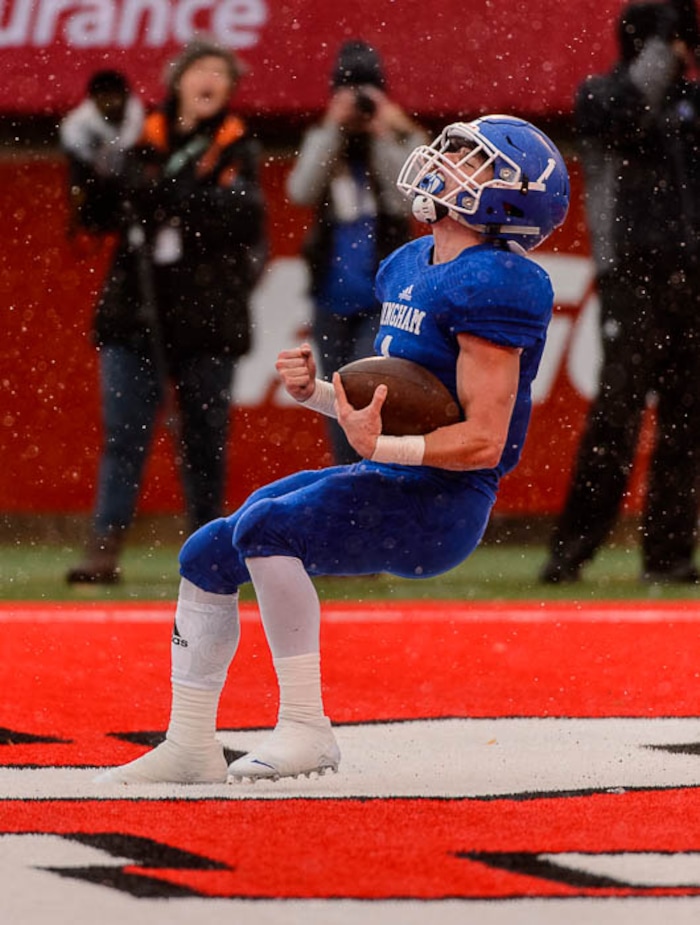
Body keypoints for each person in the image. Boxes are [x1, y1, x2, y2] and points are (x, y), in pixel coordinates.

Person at [94, 114, 569, 784]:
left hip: (442, 501)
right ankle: (190, 740)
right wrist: (319, 392)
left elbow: (484, 442)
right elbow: (386, 403)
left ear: (508, 198)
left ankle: (307, 726)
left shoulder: (497, 281)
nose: (445, 159)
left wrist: (392, 447)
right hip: (394, 471)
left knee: (267, 526)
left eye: (471, 159)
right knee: (206, 552)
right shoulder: (411, 262)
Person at [65, 38, 267, 585]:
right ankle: (103, 548)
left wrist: (166, 193)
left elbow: (243, 216)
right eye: (199, 70)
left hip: (209, 317)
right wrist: (89, 168)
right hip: (136, 312)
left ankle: (212, 549)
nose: (209, 81)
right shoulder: (139, 138)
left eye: (219, 73)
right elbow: (100, 215)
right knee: (124, 435)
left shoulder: (238, 145)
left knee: (204, 438)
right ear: (177, 80)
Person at [540, 1, 700, 585]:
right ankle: (570, 551)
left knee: (686, 421)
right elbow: (631, 111)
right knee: (617, 416)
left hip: (690, 276)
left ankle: (669, 555)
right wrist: (667, 43)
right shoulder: (601, 95)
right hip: (631, 273)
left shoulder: (688, 103)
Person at [286, 39, 428, 464]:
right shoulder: (327, 141)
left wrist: (385, 131)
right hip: (331, 294)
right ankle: (347, 478)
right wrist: (333, 129)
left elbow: (410, 199)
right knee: (333, 395)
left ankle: (372, 476)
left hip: (382, 298)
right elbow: (300, 189)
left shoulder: (402, 138)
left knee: (368, 390)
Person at [59, 69, 145, 236]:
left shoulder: (136, 112)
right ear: (93, 101)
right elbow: (78, 174)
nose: (114, 104)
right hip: (95, 175)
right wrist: (75, 215)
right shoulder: (76, 127)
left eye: (117, 97)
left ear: (127, 96)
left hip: (125, 171)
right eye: (106, 99)